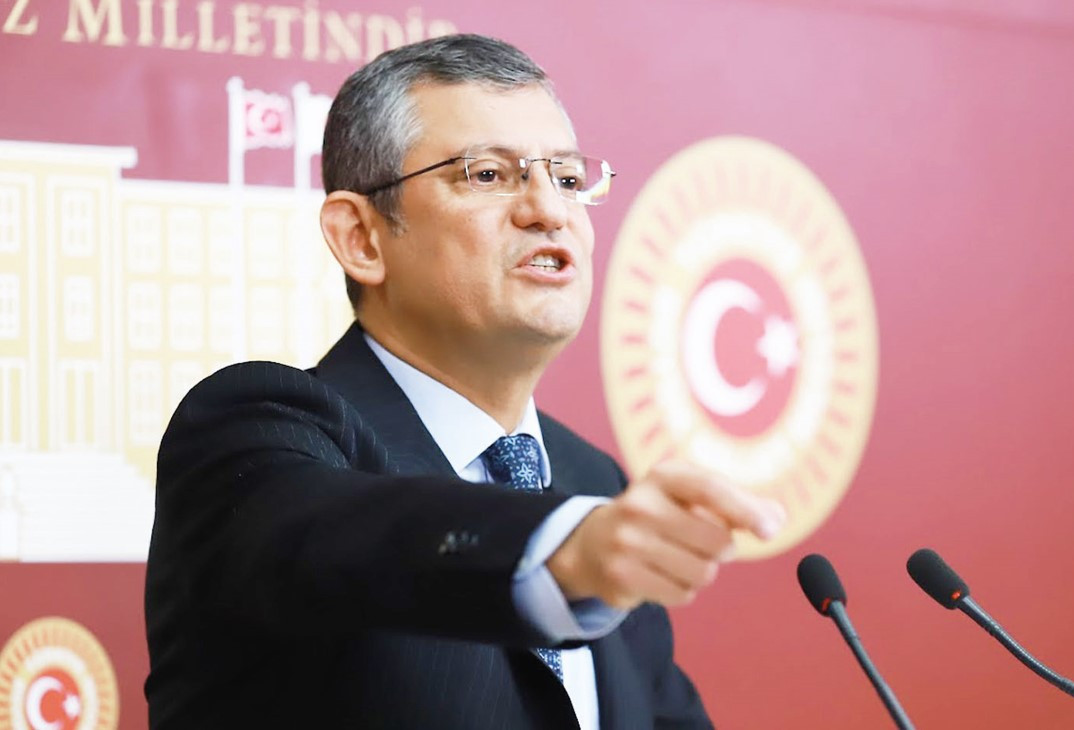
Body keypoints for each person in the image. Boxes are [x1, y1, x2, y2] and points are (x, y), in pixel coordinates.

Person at [144, 34, 785, 730]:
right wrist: (562, 548)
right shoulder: (255, 431)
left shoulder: (594, 483)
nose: (549, 210)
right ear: (362, 237)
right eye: (487, 175)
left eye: (568, 179)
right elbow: (344, 539)